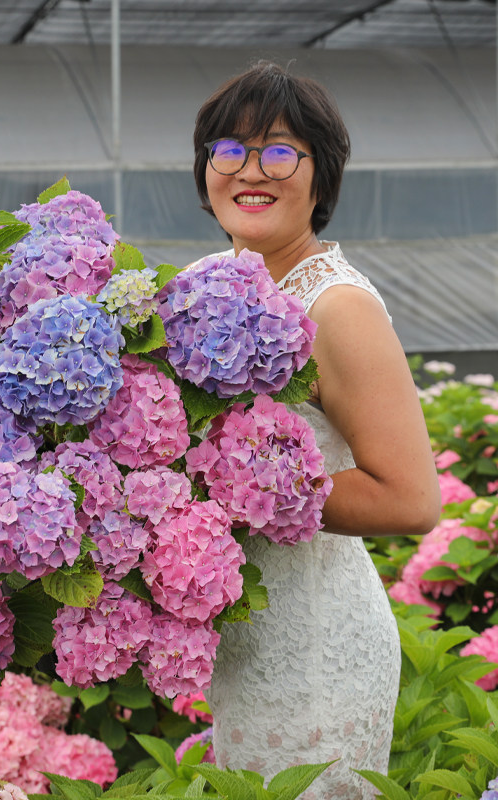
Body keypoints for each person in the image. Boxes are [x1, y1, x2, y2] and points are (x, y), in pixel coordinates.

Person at [192, 61, 441, 798]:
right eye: (227, 150)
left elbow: (409, 497)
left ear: (322, 177)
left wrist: (240, 491)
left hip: (316, 656)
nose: (249, 170)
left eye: (277, 151)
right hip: (243, 642)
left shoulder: (337, 306)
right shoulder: (209, 278)